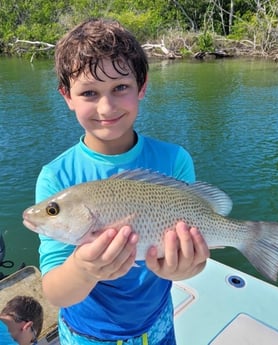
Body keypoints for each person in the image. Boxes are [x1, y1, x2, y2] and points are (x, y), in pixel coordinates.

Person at [35, 18, 209, 345]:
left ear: (142, 86)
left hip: (158, 326)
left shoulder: (175, 161)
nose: (106, 106)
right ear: (67, 96)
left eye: (120, 87)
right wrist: (84, 269)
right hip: (87, 334)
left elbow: (194, 259)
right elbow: (55, 292)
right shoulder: (57, 177)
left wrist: (183, 268)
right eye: (89, 92)